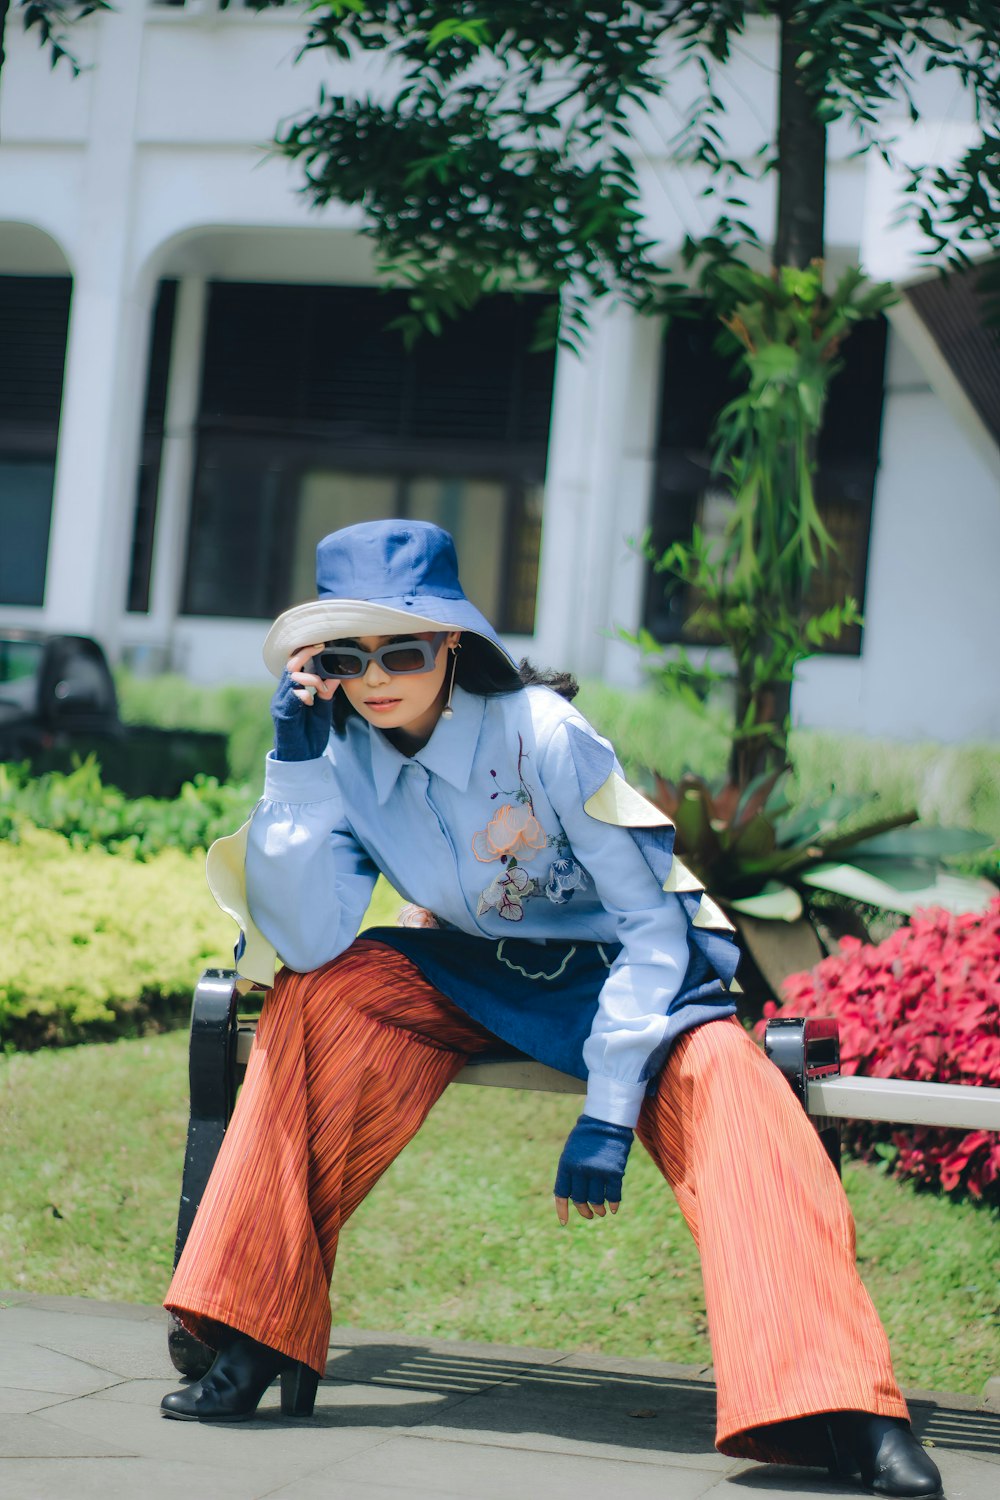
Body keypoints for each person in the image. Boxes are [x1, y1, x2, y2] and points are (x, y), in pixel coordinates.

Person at [163, 519, 942, 1498]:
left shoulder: (546, 734)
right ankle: (251, 1328)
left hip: (626, 965)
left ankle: (842, 1408)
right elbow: (311, 937)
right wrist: (297, 767)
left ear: (451, 644)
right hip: (463, 966)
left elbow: (654, 926)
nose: (375, 678)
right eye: (344, 657)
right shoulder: (340, 754)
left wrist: (609, 1113)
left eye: (400, 648)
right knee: (318, 998)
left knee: (735, 1085)